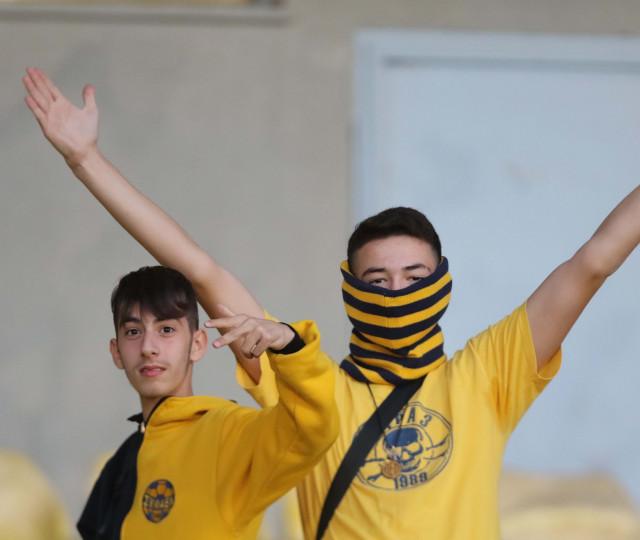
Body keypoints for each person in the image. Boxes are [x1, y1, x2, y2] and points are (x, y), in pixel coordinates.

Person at [23, 67, 640, 539]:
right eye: (377, 279)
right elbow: (199, 268)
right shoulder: (304, 385)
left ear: (441, 281)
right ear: (351, 287)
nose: (396, 292)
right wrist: (86, 160)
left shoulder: (487, 376)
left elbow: (593, 261)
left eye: (414, 277)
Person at [23, 68, 339, 540]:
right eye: (134, 332)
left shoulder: (229, 435)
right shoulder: (121, 467)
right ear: (116, 351)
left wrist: (290, 346)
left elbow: (313, 428)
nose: (149, 347)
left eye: (167, 329)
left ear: (198, 344)